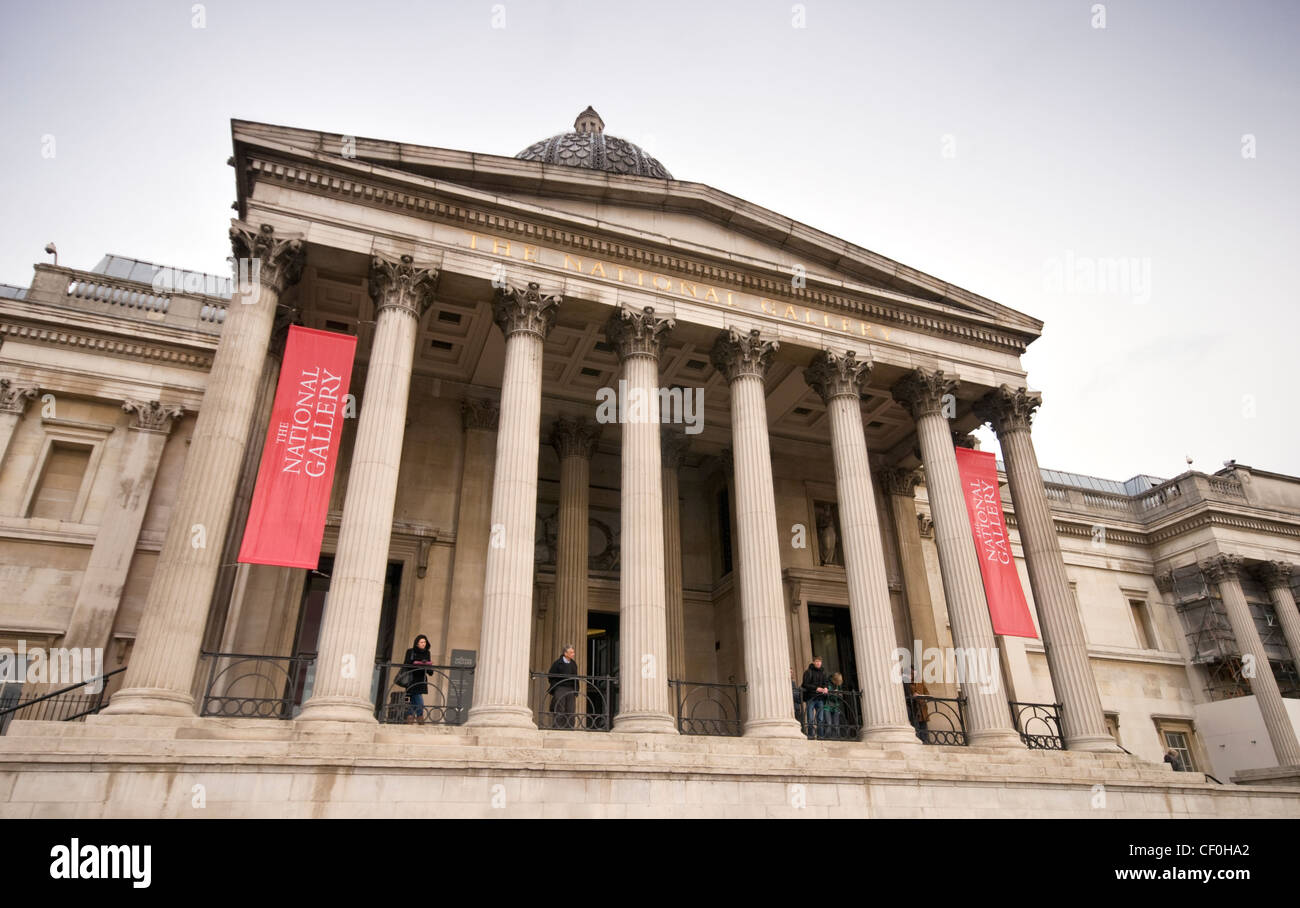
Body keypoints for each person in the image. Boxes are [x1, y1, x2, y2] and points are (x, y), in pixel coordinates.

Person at [399, 634, 434, 725]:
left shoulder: (427, 653)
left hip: (421, 678)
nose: (424, 644)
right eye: (421, 642)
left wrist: (428, 667)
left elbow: (429, 666)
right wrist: (416, 662)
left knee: (413, 698)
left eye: (425, 642)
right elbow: (406, 663)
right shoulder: (410, 651)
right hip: (411, 678)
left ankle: (410, 717)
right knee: (417, 697)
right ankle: (420, 716)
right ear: (417, 643)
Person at [547, 645, 579, 729]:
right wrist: (556, 686)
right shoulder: (557, 663)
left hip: (571, 689)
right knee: (560, 708)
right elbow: (551, 675)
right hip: (560, 687)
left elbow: (576, 677)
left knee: (571, 709)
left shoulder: (573, 663)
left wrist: (576, 690)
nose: (573, 654)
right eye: (571, 652)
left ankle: (569, 728)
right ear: (565, 653)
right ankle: (558, 727)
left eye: (573, 652)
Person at [801, 657, 829, 739]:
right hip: (811, 698)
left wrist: (826, 688)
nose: (818, 663)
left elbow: (825, 682)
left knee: (820, 718)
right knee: (810, 718)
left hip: (820, 698)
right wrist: (816, 688)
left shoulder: (823, 673)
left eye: (820, 661)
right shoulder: (808, 672)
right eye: (817, 661)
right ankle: (811, 735)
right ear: (813, 662)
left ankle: (820, 736)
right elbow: (805, 684)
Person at [822, 672, 844, 740]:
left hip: (836, 707)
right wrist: (833, 693)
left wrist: (840, 695)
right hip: (827, 706)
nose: (839, 682)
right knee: (829, 724)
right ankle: (828, 739)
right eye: (838, 681)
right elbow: (825, 695)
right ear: (835, 680)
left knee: (836, 725)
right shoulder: (828, 684)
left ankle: (836, 739)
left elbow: (841, 697)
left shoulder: (839, 686)